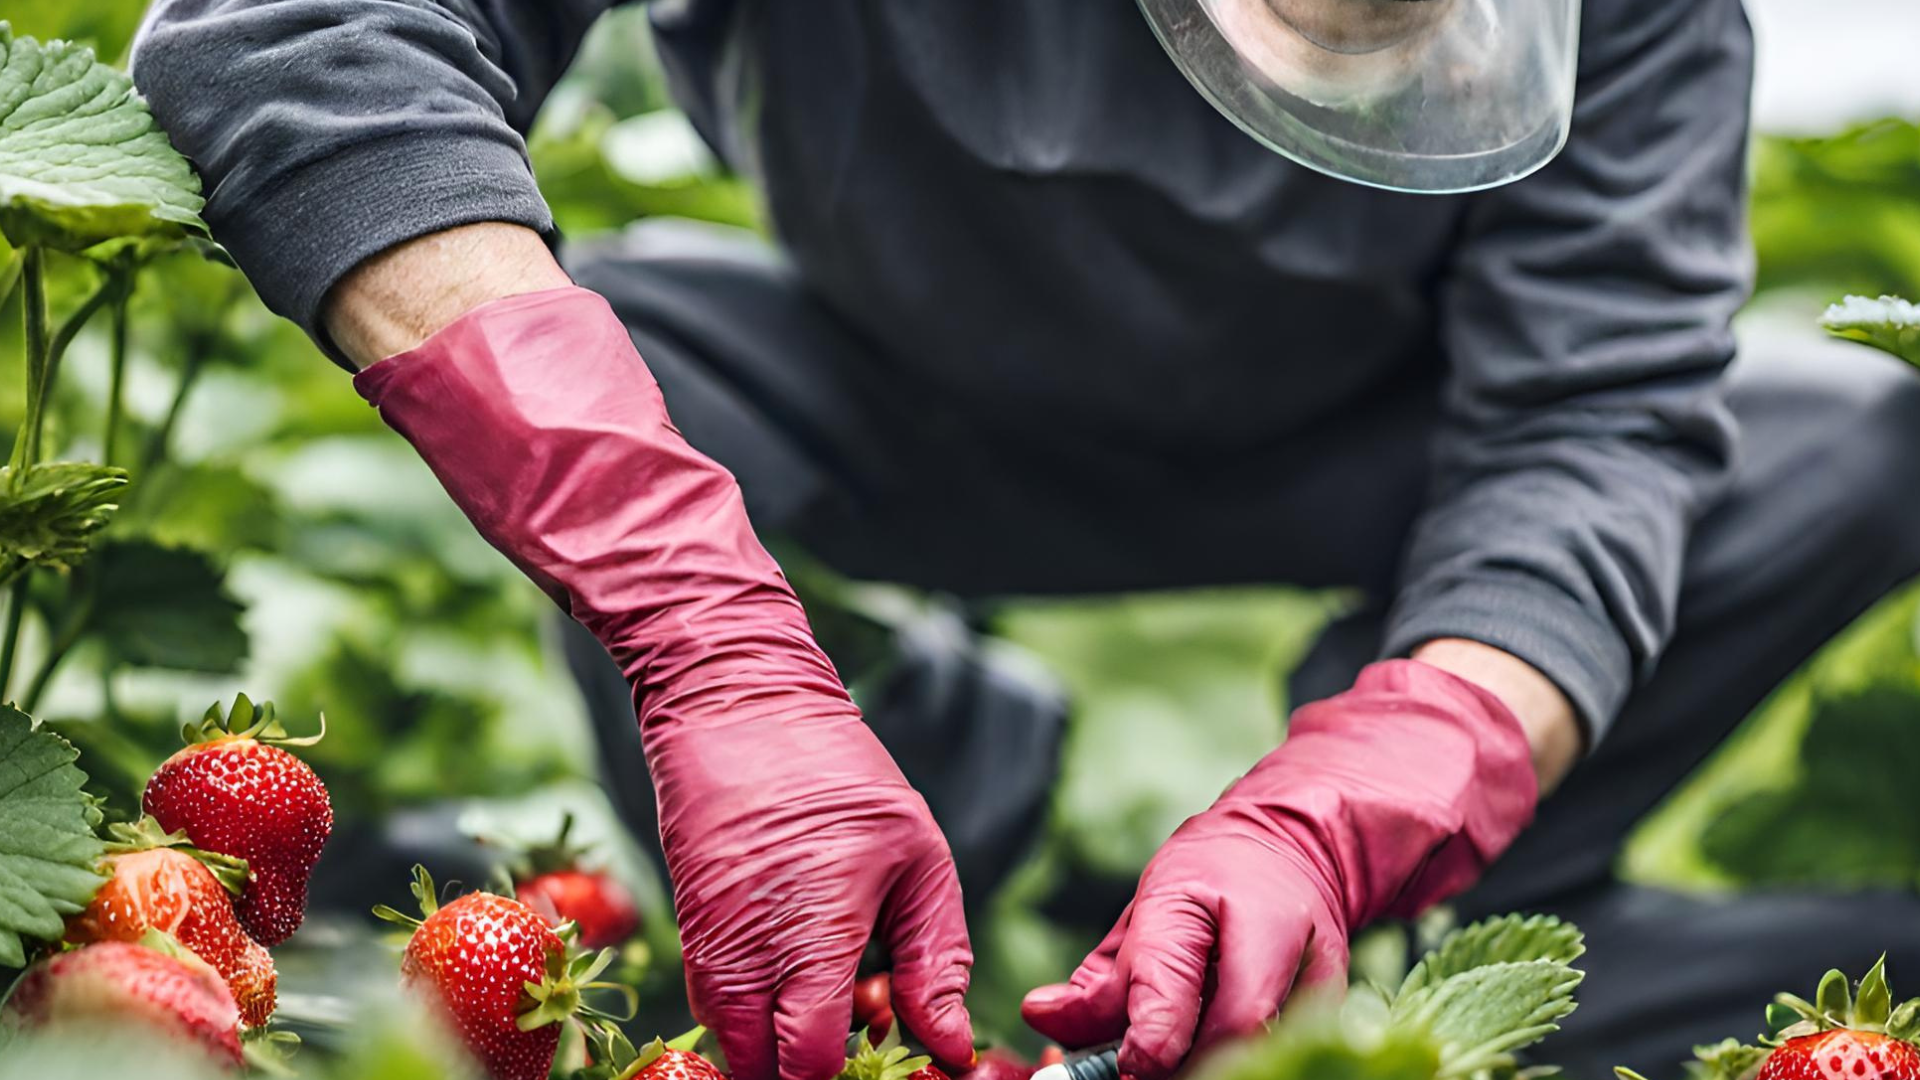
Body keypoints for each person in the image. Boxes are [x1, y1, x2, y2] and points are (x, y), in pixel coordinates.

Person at [129, 0, 1920, 1075]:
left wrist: (1379, 782)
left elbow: (1592, 409)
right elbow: (294, 32)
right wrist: (712, 639)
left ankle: (1447, 928)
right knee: (644, 338)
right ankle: (878, 911)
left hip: (1378, 447)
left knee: (1848, 439)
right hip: (901, 391)